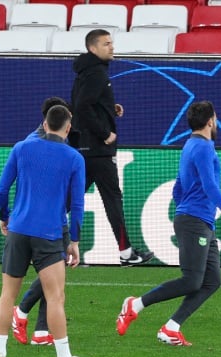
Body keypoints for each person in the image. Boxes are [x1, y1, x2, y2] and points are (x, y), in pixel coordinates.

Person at [115, 101, 221, 346]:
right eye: (215, 118)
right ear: (210, 121)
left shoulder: (191, 145)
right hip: (195, 221)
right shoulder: (204, 148)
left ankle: (171, 327)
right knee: (191, 280)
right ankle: (134, 305)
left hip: (198, 221)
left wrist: (185, 209)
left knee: (211, 281)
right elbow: (210, 187)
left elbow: (179, 185)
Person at [0, 104, 95, 357]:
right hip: (48, 235)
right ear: (68, 128)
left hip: (18, 231)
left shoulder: (21, 148)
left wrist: (6, 216)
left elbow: (1, 190)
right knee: (55, 297)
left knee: (7, 296)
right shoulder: (74, 158)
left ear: (45, 124)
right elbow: (78, 205)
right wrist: (74, 240)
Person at [71, 28, 154, 266]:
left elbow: (82, 104)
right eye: (106, 43)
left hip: (84, 149)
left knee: (69, 200)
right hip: (98, 150)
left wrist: (108, 108)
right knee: (112, 200)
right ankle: (126, 253)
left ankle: (35, 239)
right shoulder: (96, 73)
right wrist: (105, 132)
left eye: (111, 42)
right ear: (93, 48)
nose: (112, 47)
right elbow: (83, 108)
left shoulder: (86, 72)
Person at [12, 97, 73, 346]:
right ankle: (22, 311)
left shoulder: (45, 142)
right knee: (53, 271)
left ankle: (40, 331)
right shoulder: (32, 144)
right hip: (41, 222)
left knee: (55, 277)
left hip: (54, 217)